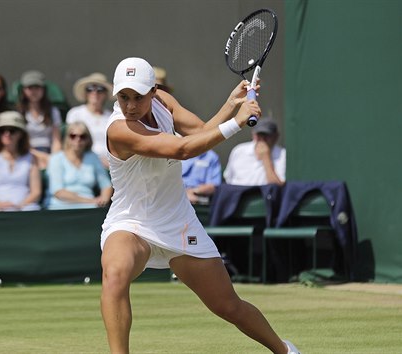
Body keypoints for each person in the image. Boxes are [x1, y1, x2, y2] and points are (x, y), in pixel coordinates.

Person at [100, 57, 300, 354]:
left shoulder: (164, 102)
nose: (130, 105)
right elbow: (182, 150)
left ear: (154, 91)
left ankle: (286, 351)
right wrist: (237, 122)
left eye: (138, 97)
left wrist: (231, 105)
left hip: (178, 221)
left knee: (228, 306)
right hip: (130, 223)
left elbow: (200, 131)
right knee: (114, 273)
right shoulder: (119, 130)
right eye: (123, 97)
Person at [0, 111, 41, 212]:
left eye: (12, 130)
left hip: (25, 209)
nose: (7, 134)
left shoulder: (31, 157)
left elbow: (36, 192)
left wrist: (19, 206)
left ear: (20, 134)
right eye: (2, 130)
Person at [46, 121, 113, 210]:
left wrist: (103, 200)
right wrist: (91, 201)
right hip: (60, 207)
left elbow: (106, 185)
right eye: (73, 136)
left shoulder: (93, 157)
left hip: (90, 208)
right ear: (67, 138)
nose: (78, 139)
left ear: (88, 139)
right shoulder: (56, 158)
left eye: (82, 136)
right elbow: (58, 192)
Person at [15, 70, 62, 169]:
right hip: (26, 152)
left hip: (49, 152)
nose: (34, 91)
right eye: (30, 88)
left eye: (37, 87)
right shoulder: (18, 113)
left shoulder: (53, 112)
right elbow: (20, 142)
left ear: (43, 89)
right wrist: (41, 157)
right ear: (24, 90)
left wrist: (53, 159)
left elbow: (56, 140)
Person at [66, 72, 113, 168]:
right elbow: (70, 142)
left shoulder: (112, 116)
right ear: (85, 93)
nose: (95, 93)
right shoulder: (75, 113)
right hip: (82, 161)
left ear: (105, 94)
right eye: (90, 89)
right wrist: (96, 160)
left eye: (100, 89)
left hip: (110, 164)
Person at [223, 118, 286, 186]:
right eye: (259, 135)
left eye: (266, 135)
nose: (262, 139)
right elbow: (228, 178)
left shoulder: (282, 154)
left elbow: (278, 186)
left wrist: (266, 158)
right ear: (253, 134)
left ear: (275, 137)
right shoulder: (239, 150)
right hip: (238, 194)